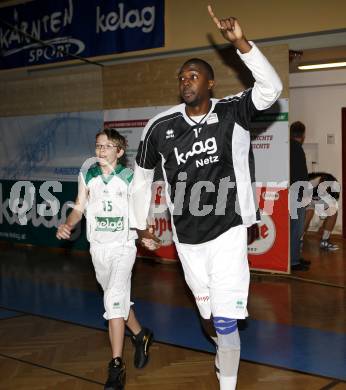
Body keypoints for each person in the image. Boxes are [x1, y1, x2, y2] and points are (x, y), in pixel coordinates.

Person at [129, 6, 282, 390]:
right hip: (188, 240)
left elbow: (271, 90)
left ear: (210, 83)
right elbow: (142, 177)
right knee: (209, 318)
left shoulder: (233, 112)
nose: (186, 81)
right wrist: (138, 223)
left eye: (193, 75)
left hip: (229, 232)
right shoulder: (160, 127)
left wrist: (241, 45)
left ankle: (226, 380)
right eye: (182, 77)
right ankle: (223, 349)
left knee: (228, 320)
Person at [56, 128, 154, 390]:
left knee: (113, 300)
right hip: (98, 249)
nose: (100, 150)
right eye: (98, 146)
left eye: (107, 146)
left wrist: (145, 234)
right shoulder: (88, 175)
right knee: (117, 301)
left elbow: (141, 212)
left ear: (120, 152)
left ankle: (116, 365)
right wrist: (68, 224)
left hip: (123, 247)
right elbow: (79, 206)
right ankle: (141, 334)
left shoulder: (129, 178)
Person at [290, 121, 310, 271]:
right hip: (298, 194)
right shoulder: (297, 149)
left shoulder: (289, 147)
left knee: (294, 228)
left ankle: (295, 257)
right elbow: (301, 175)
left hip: (291, 192)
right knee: (296, 228)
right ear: (302, 135)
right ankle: (294, 261)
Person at [303, 171, 340, 251]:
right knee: (309, 213)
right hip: (305, 197)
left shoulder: (335, 190)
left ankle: (325, 241)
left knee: (333, 212)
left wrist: (322, 225)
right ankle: (298, 240)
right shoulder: (310, 182)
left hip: (315, 198)